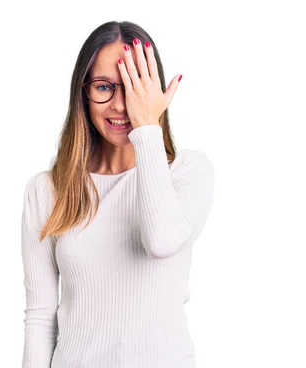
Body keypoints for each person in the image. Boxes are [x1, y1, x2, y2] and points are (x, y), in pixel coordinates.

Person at [20, 20, 214, 368]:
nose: (121, 105)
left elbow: (161, 241)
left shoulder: (187, 173)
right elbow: (40, 318)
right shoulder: (47, 191)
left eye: (133, 86)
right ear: (83, 91)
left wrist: (148, 128)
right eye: (105, 86)